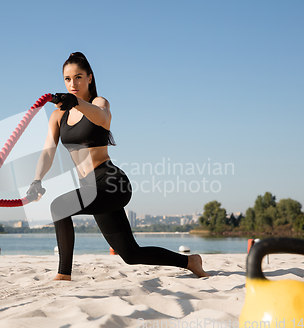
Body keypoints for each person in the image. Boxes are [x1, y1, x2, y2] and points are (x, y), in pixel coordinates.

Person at [26, 52, 209, 281]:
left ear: (90, 78)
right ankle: (190, 261)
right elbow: (47, 153)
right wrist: (36, 180)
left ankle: (63, 275)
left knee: (58, 207)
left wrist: (78, 103)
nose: (73, 84)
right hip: (90, 187)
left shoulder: (98, 103)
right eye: (67, 79)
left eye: (79, 77)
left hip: (111, 182)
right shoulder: (57, 116)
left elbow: (103, 118)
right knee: (131, 254)